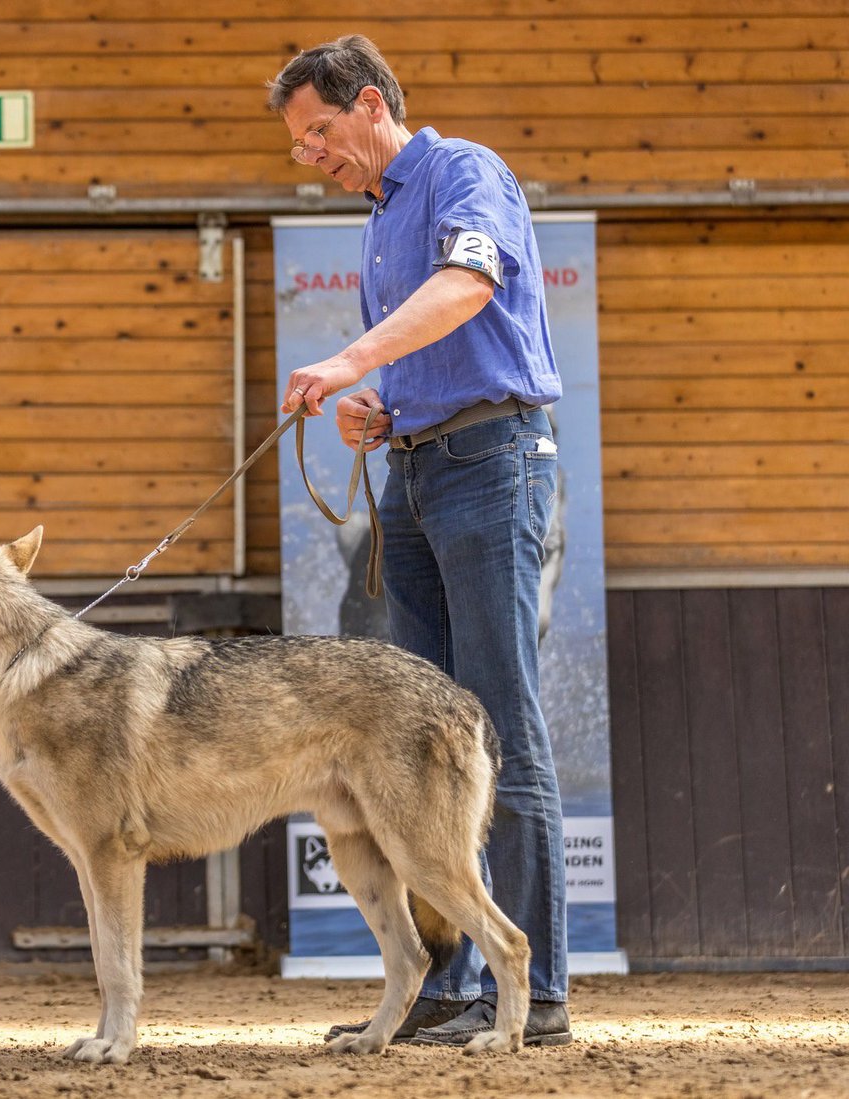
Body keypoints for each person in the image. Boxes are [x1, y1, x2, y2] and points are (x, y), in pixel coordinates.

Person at [266, 35, 570, 1047]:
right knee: (420, 743)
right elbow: (427, 354)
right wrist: (378, 408)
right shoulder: (379, 216)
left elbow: (468, 287)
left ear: (369, 104)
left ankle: (538, 992)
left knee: (496, 724)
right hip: (418, 470)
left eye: (318, 132)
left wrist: (351, 361)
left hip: (492, 462)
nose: (310, 154)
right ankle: (447, 983)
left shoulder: (462, 172)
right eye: (298, 143)